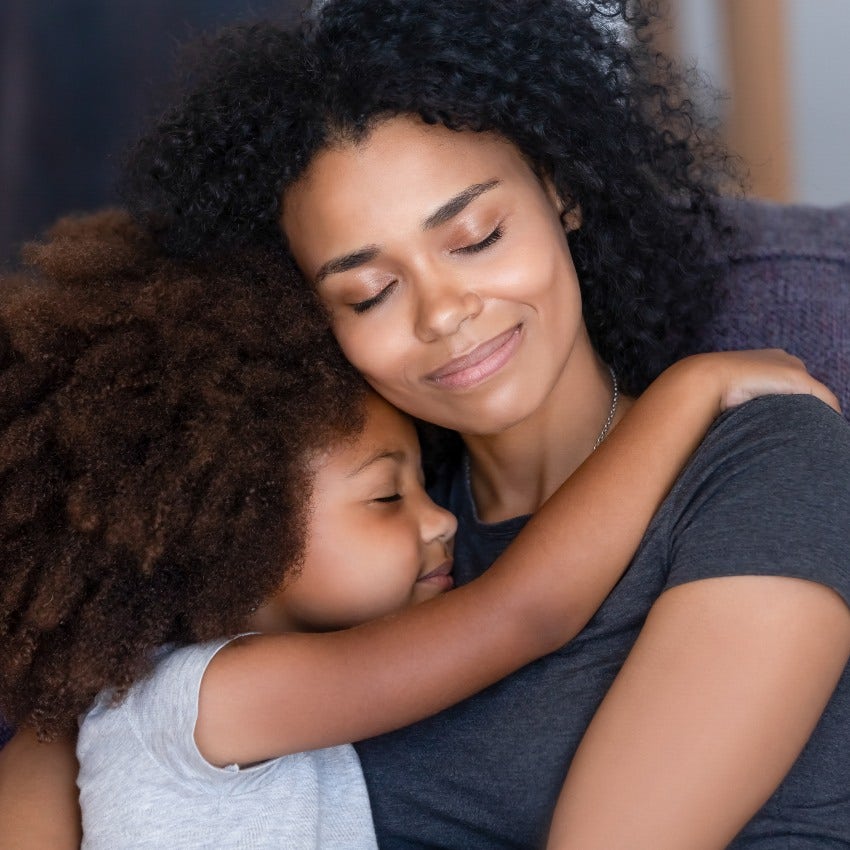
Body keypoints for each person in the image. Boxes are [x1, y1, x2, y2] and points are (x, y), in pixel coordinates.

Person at [3, 1, 850, 847]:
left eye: (476, 237)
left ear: (560, 191)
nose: (444, 312)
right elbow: (88, 705)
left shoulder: (769, 460)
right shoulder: (349, 535)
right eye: (369, 292)